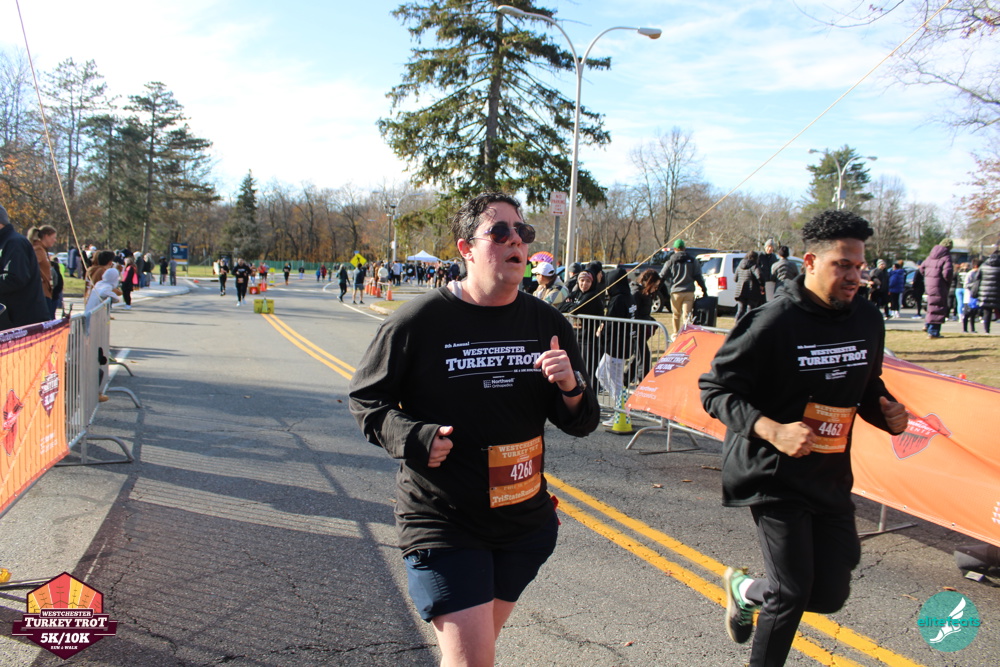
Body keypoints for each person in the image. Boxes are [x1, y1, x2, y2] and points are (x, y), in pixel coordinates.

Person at [348, 192, 600, 667]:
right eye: (499, 232)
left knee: (475, 651)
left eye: (522, 232)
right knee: (473, 661)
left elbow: (583, 421)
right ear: (466, 248)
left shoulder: (546, 321)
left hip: (523, 526)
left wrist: (571, 386)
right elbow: (366, 399)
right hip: (444, 521)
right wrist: (416, 438)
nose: (516, 241)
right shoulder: (419, 320)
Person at [699, 210, 908, 667]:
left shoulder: (867, 318)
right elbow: (715, 390)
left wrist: (888, 412)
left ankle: (746, 590)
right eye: (843, 265)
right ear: (810, 262)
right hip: (772, 474)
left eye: (859, 266)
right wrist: (772, 429)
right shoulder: (773, 322)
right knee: (791, 592)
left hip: (828, 474)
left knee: (829, 593)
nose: (855, 277)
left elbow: (865, 384)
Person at [0, 204, 50, 329]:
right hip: (13, 321)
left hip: (22, 322)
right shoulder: (7, 242)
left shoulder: (14, 243)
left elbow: (15, 278)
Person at [658, 239, 707, 339]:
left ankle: (675, 334)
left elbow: (662, 276)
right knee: (687, 315)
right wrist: (704, 290)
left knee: (676, 315)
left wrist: (656, 289)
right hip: (689, 292)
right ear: (684, 248)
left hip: (675, 292)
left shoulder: (671, 261)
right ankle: (686, 334)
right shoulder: (692, 260)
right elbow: (698, 276)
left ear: (675, 249)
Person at [628, 269, 662, 384]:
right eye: (655, 285)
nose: (656, 288)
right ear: (649, 282)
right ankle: (644, 381)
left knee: (640, 356)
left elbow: (644, 313)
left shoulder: (644, 293)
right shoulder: (636, 293)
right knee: (643, 357)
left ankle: (626, 378)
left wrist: (651, 322)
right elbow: (634, 313)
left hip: (642, 328)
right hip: (636, 330)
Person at [919, 239, 954, 338]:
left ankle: (927, 324)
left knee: (931, 305)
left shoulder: (930, 256)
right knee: (938, 306)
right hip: (940, 284)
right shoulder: (946, 257)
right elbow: (947, 273)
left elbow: (922, 268)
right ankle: (933, 331)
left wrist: (928, 277)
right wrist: (948, 281)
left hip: (929, 284)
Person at [27, 225, 58, 319]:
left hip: (45, 293)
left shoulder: (43, 250)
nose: (55, 240)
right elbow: (29, 266)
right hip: (41, 293)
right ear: (46, 236)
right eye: (53, 237)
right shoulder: (38, 249)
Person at [976, 246, 1000, 334]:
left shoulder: (983, 266)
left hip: (985, 292)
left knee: (987, 312)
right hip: (998, 292)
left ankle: (986, 330)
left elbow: (977, 279)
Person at [734, 251, 763, 321]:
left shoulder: (739, 266)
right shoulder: (754, 266)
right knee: (750, 310)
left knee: (740, 310)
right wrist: (762, 284)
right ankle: (748, 325)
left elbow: (735, 279)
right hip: (752, 291)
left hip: (740, 291)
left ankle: (737, 324)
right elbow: (759, 276)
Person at [963, 258, 981, 334]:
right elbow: (966, 285)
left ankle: (973, 329)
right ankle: (965, 329)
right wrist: (975, 285)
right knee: (967, 314)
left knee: (973, 314)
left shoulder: (979, 273)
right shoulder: (970, 274)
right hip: (968, 297)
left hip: (975, 297)